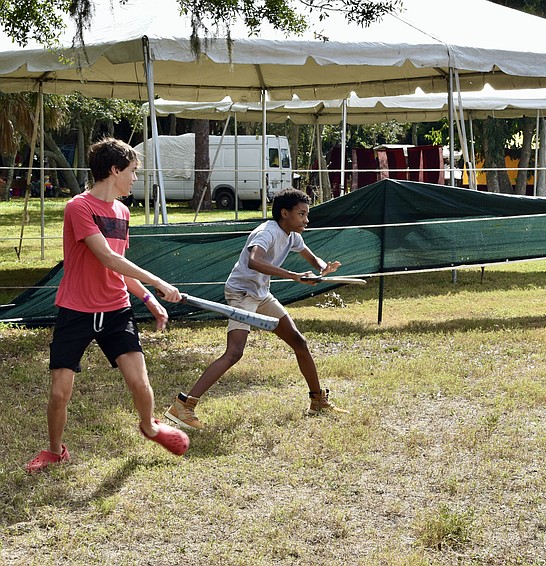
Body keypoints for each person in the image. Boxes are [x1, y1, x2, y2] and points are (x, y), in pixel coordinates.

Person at [26, 138, 190, 474]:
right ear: (114, 170)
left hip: (116, 310)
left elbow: (119, 267)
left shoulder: (123, 211)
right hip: (76, 310)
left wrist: (149, 300)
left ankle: (150, 427)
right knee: (59, 394)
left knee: (141, 384)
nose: (134, 179)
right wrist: (159, 282)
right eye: (132, 171)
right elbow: (106, 256)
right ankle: (56, 451)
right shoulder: (79, 207)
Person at [165, 189, 348, 430]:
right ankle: (183, 406)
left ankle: (317, 401)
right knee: (234, 353)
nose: (306, 220)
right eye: (302, 214)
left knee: (299, 342)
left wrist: (324, 269)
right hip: (242, 294)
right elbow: (254, 260)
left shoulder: (292, 235)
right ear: (285, 213)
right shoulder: (267, 232)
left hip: (261, 294)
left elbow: (313, 260)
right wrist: (294, 276)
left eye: (307, 214)